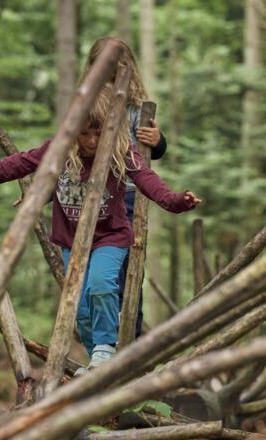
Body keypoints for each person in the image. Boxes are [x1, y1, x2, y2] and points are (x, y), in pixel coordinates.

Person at [0, 86, 201, 373]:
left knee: (101, 286)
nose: (92, 141)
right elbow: (22, 162)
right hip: (72, 239)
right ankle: (96, 359)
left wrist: (179, 201)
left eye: (99, 133)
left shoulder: (122, 151)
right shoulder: (60, 149)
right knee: (78, 307)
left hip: (111, 236)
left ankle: (106, 349)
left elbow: (149, 181)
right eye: (85, 133)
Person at [81, 37, 167, 337]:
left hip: (128, 197)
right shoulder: (86, 106)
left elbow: (153, 149)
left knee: (129, 271)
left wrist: (157, 141)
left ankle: (130, 336)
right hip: (90, 197)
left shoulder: (136, 110)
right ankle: (100, 339)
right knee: (96, 275)